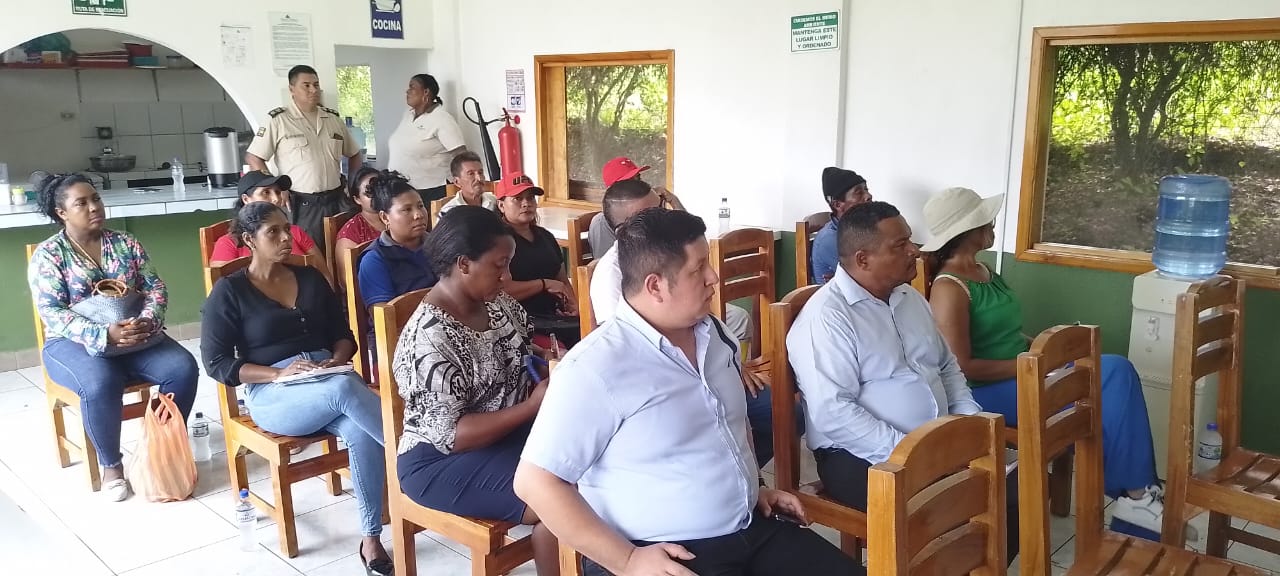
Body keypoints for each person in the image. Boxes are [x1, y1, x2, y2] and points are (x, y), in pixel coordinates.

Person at [515, 208, 861, 576]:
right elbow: (535, 482)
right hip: (665, 552)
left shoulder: (715, 334)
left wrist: (752, 489)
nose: (714, 277)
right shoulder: (597, 367)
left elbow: (729, 424)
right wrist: (628, 560)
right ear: (655, 286)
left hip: (748, 525)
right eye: (699, 269)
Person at [787, 201, 1018, 565]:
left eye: (910, 239)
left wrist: (968, 425)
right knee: (955, 509)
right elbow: (835, 414)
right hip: (860, 456)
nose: (916, 250)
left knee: (1013, 496)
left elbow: (947, 366)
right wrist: (919, 456)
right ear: (863, 259)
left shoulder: (909, 298)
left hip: (932, 439)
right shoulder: (827, 318)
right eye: (901, 245)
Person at [922, 186, 1164, 533]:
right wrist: (1036, 364)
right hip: (985, 392)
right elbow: (962, 366)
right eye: (986, 220)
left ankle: (1136, 499)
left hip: (1024, 372)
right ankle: (1137, 498)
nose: (993, 224)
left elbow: (1009, 333)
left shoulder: (984, 271)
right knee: (1111, 373)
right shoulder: (949, 287)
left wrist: (1046, 347)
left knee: (1110, 378)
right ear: (967, 231)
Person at [201, 201, 390, 575]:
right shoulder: (230, 291)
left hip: (328, 377)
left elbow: (344, 336)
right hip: (274, 394)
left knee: (358, 429)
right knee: (345, 390)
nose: (287, 238)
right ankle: (419, 455)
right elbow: (216, 363)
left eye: (287, 229)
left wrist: (336, 359)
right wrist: (277, 374)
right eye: (273, 232)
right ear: (249, 240)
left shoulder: (310, 278)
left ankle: (371, 538)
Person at [391, 205, 560, 576]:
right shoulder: (430, 337)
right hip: (439, 460)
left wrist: (547, 359)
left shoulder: (496, 302)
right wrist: (532, 406)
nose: (507, 276)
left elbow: (519, 347)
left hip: (506, 434)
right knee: (558, 497)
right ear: (464, 264)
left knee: (592, 460)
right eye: (500, 265)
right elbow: (452, 435)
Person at [28, 173, 200, 503]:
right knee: (101, 382)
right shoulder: (49, 255)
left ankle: (159, 448)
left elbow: (155, 287)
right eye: (81, 203)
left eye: (96, 199)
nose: (94, 207)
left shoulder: (125, 243)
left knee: (182, 368)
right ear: (62, 212)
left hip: (136, 335)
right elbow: (51, 311)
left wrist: (147, 321)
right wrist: (103, 333)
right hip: (72, 343)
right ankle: (112, 466)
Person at [586, 178, 778, 464]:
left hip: (703, 369)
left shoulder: (679, 259)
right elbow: (625, 347)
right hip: (665, 384)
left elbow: (700, 328)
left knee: (782, 412)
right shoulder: (610, 276)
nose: (713, 277)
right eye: (650, 215)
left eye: (662, 208)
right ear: (625, 230)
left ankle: (734, 472)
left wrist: (731, 366)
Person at [245, 64, 362, 252]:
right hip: (302, 204)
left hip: (337, 200)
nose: (313, 90)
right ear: (292, 89)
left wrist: (353, 186)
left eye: (316, 85)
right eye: (306, 85)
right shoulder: (279, 120)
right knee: (309, 256)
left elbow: (354, 154)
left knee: (344, 252)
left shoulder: (333, 119)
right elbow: (254, 158)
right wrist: (276, 189)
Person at [495, 172, 579, 349]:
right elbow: (499, 291)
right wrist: (543, 284)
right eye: (518, 198)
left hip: (554, 317)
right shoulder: (496, 242)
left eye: (530, 198)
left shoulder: (545, 236)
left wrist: (573, 305)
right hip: (518, 322)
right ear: (501, 205)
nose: (526, 203)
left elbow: (562, 279)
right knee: (561, 352)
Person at [209, 171, 328, 280]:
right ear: (245, 199)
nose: (276, 199)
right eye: (266, 192)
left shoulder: (296, 232)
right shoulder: (229, 243)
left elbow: (325, 276)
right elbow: (223, 290)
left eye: (278, 192)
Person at [358, 171, 437, 334]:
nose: (418, 215)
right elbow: (384, 321)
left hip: (443, 329)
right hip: (400, 338)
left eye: (420, 206)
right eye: (406, 210)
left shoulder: (438, 245)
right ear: (385, 217)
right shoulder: (374, 260)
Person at [387, 73, 467, 204]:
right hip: (404, 188)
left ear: (426, 92)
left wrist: (464, 184)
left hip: (432, 190)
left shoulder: (442, 118)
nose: (407, 91)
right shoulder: (408, 115)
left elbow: (461, 154)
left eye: (412, 87)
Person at [586, 156, 683, 256]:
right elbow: (606, 261)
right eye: (629, 182)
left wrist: (674, 201)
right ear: (613, 190)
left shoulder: (648, 213)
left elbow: (686, 236)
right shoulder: (602, 223)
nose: (638, 184)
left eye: (638, 178)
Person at [810, 167, 872, 284]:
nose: (868, 196)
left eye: (866, 189)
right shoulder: (830, 239)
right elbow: (870, 277)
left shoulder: (859, 229)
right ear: (838, 205)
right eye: (859, 192)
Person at [332, 166, 386, 294]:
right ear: (357, 199)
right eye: (369, 193)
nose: (377, 196)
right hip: (373, 295)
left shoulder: (396, 217)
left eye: (379, 189)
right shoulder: (350, 234)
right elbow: (347, 283)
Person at [438, 151, 497, 215]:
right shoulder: (448, 212)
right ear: (457, 182)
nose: (479, 178)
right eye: (471, 174)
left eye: (480, 172)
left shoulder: (494, 201)